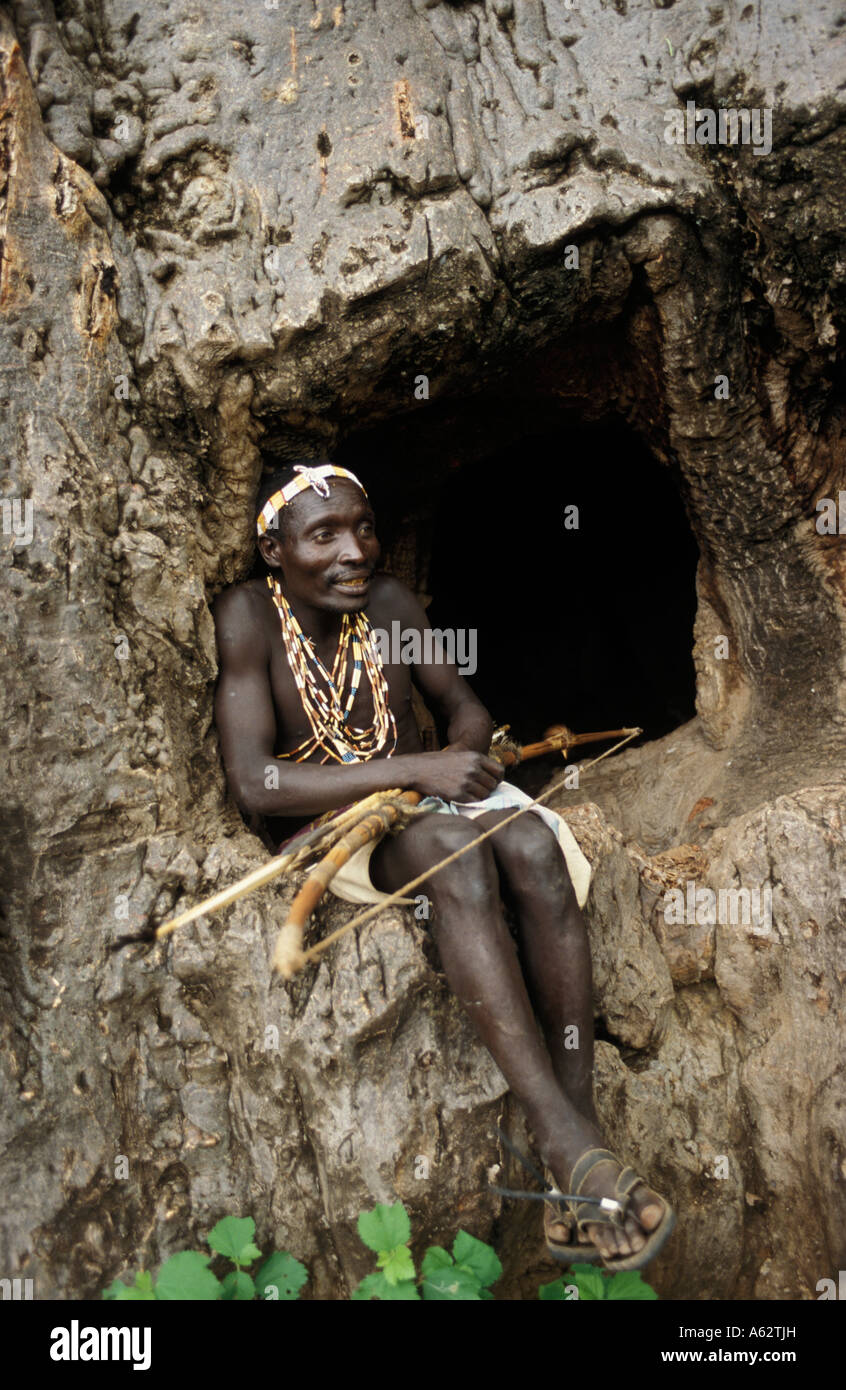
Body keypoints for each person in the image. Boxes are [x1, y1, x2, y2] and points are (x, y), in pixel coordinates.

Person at [211, 460, 674, 1270]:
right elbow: (257, 784)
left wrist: (458, 759)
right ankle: (568, 1145)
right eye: (324, 535)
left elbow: (466, 711)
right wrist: (412, 773)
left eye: (362, 527)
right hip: (335, 828)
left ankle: (577, 1134)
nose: (354, 550)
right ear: (274, 550)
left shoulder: (388, 604)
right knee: (454, 854)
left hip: (421, 803)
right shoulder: (248, 617)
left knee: (532, 844)